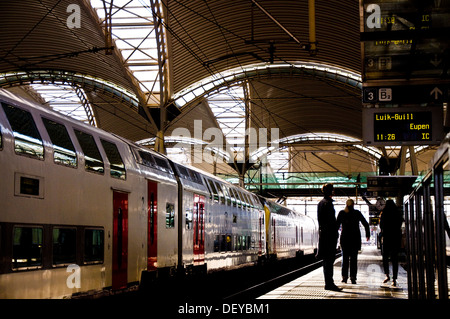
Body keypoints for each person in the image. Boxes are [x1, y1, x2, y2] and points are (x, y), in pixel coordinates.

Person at [336, 199, 370, 284]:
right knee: (354, 260)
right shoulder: (357, 213)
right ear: (353, 205)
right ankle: (353, 277)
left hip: (345, 239)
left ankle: (344, 277)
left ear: (346, 205)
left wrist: (334, 236)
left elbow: (336, 226)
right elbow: (365, 224)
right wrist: (367, 234)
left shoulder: (342, 213)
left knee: (345, 259)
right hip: (355, 240)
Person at [317, 183, 342, 291]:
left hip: (324, 235)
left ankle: (328, 283)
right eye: (333, 190)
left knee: (326, 261)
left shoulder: (321, 203)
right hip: (329, 236)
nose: (334, 192)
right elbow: (331, 222)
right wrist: (338, 223)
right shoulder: (328, 204)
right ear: (330, 191)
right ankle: (329, 284)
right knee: (329, 260)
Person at [379, 199, 403, 287]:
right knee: (394, 259)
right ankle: (394, 279)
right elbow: (400, 223)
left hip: (387, 238)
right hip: (396, 238)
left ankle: (387, 276)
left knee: (385, 258)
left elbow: (381, 225)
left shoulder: (384, 213)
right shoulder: (397, 212)